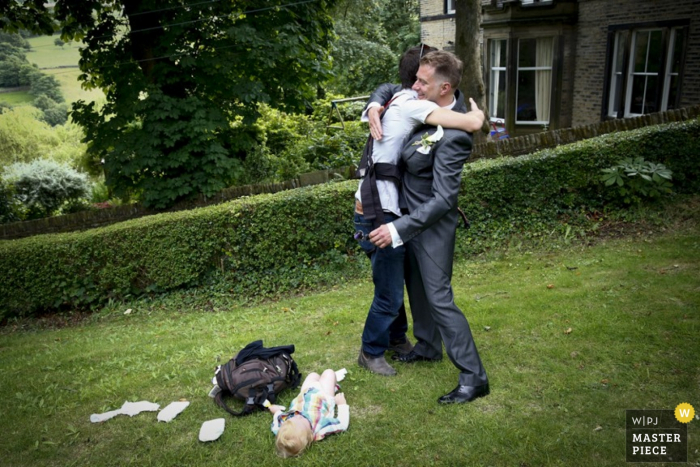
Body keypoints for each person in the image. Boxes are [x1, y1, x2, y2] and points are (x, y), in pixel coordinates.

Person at [366, 50, 490, 404]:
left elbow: (444, 199)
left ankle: (474, 376)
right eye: (416, 79)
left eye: (422, 82)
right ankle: (428, 346)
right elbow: (390, 88)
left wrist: (397, 229)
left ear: (445, 87)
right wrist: (376, 105)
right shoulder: (426, 105)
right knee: (416, 288)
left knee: (439, 298)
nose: (414, 86)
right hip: (408, 221)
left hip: (430, 227)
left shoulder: (455, 135)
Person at [268, 369, 349, 458]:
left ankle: (321, 380)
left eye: (294, 417)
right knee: (329, 373)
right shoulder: (320, 427)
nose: (299, 416)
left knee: (313, 375)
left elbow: (277, 423)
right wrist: (342, 405)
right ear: (310, 435)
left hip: (305, 393)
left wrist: (276, 411)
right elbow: (342, 424)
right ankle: (332, 384)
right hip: (324, 395)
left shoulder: (284, 428)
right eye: (302, 420)